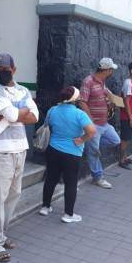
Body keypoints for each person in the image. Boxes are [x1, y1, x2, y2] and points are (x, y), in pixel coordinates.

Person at [0, 53, 39, 262]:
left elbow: (35, 116)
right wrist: (19, 112)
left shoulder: (23, 90)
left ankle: (0, 234)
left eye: (4, 69)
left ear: (13, 69)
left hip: (20, 149)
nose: (0, 73)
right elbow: (15, 116)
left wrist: (15, 113)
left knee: (13, 196)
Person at [39, 86, 95, 223]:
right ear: (75, 99)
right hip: (72, 153)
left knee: (51, 179)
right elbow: (92, 131)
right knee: (70, 183)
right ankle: (68, 214)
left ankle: (45, 207)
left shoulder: (52, 110)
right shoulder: (80, 114)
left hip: (53, 149)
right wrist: (81, 139)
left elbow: (48, 126)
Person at [78, 57, 121, 189]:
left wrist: (112, 102)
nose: (112, 72)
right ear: (106, 70)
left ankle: (90, 146)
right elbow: (82, 101)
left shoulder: (102, 83)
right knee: (93, 151)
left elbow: (107, 96)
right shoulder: (88, 81)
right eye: (111, 70)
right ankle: (98, 177)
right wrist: (90, 120)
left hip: (104, 123)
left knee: (115, 140)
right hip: (94, 124)